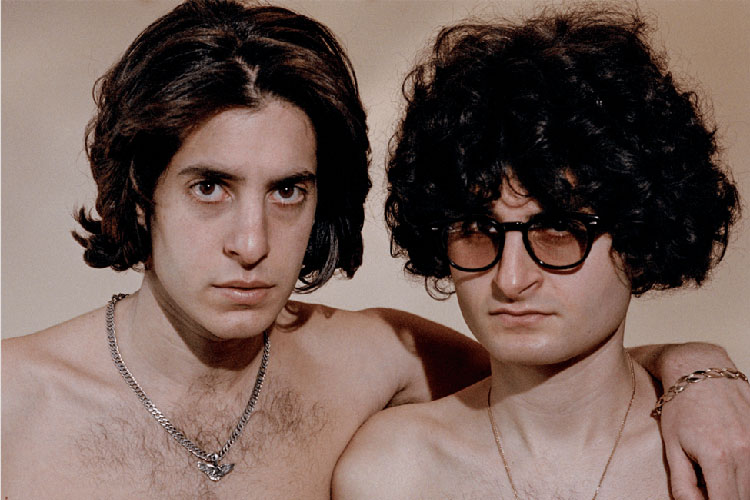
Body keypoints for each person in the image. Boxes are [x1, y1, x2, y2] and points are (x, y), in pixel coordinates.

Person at [1, 1, 746, 498]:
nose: (251, 243)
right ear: (139, 194)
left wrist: (698, 373)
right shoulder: (14, 403)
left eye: (287, 191)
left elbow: (558, 363)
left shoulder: (377, 361)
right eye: (210, 187)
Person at [333, 7, 749, 500]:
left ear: (640, 238)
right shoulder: (392, 471)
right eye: (477, 230)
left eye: (557, 230)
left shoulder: (724, 452)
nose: (510, 279)